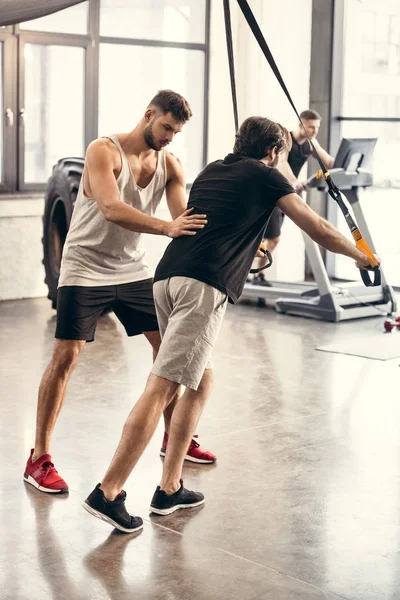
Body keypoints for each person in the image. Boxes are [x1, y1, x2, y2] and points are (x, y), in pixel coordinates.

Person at [82, 116, 377, 533]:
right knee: (163, 386)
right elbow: (317, 227)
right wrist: (361, 256)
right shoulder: (268, 176)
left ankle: (170, 487)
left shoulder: (213, 170)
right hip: (202, 285)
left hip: (167, 278)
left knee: (201, 381)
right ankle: (108, 492)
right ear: (274, 152)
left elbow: (217, 219)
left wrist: (245, 247)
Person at [24, 89, 215, 496]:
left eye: (176, 132)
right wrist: (165, 228)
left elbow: (183, 216)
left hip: (132, 271)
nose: (169, 137)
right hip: (84, 267)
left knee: (171, 352)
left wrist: (236, 235)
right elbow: (111, 208)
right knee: (67, 355)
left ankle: (173, 437)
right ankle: (39, 457)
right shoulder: (103, 152)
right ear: (149, 115)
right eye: (166, 127)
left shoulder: (170, 164)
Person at [252, 109, 335, 285]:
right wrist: (294, 182)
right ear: (301, 124)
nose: (314, 131)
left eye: (316, 128)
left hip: (288, 193)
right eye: (311, 127)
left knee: (269, 239)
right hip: (274, 192)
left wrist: (346, 164)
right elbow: (282, 163)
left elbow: (328, 161)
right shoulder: (285, 139)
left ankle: (255, 274)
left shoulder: (311, 143)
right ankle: (256, 274)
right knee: (273, 238)